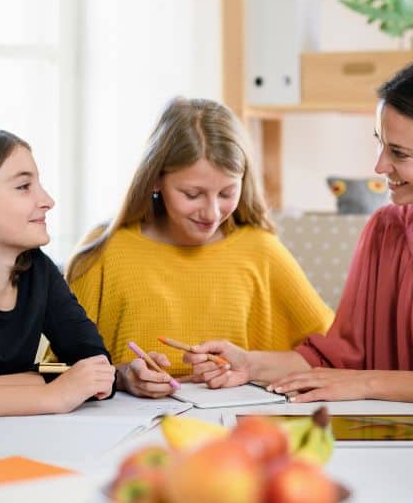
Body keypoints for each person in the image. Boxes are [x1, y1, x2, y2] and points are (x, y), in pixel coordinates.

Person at [186, 56, 413, 420]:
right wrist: (249, 364)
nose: (380, 165)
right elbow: (338, 357)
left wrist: (366, 383)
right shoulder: (385, 231)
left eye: (399, 153)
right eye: (381, 144)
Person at [66, 97, 333, 399]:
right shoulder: (105, 251)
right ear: (155, 180)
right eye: (192, 194)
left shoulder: (262, 251)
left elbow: (335, 353)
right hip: (126, 430)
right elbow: (58, 371)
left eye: (227, 192)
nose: (212, 213)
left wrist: (247, 365)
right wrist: (121, 377)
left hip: (236, 429)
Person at [0, 129, 115, 420]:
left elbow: (94, 368)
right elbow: (69, 385)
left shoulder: (39, 270)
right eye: (24, 186)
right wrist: (51, 395)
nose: (48, 200)